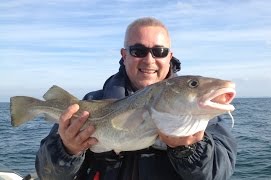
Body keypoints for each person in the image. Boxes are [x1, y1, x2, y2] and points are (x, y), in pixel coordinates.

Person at [35, 17, 237, 180]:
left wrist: (188, 150)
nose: (149, 60)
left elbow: (218, 173)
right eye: (138, 51)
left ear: (169, 56)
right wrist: (67, 150)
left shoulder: (202, 114)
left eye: (159, 51)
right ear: (124, 55)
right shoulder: (88, 104)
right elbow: (47, 174)